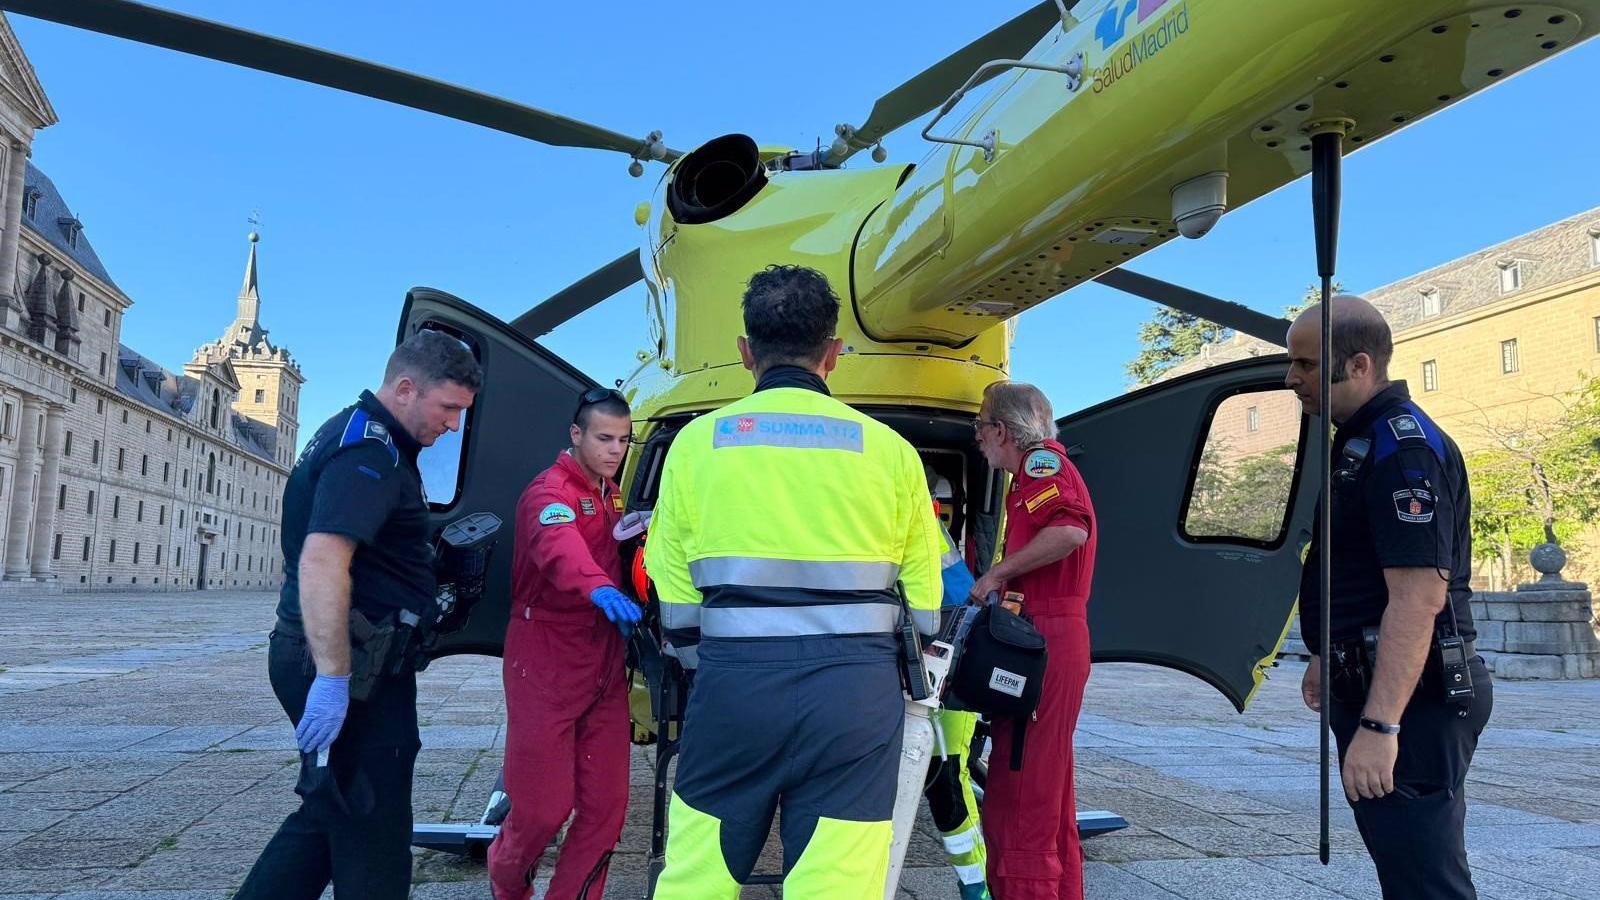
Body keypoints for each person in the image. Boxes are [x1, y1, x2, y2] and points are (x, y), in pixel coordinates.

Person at [646, 264, 943, 899]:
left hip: (734, 686)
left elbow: (672, 594)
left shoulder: (697, 445)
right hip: (856, 697)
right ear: (833, 354)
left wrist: (714, 660)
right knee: (837, 883)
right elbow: (924, 604)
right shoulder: (891, 451)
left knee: (697, 875)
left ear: (745, 352)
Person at [235, 330, 482, 899]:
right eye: (448, 408)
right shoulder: (368, 453)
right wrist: (334, 678)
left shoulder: (365, 436)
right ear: (404, 388)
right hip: (348, 663)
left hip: (358, 659)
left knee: (330, 813)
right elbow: (324, 559)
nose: (453, 425)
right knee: (373, 831)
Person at [1285, 296, 1493, 899]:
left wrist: (1381, 724)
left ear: (1357, 365)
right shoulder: (1360, 441)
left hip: (1416, 696)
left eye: (1304, 365)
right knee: (1407, 871)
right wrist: (1327, 652)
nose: (1291, 378)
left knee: (1426, 882)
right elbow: (1355, 570)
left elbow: (1417, 599)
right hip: (1383, 682)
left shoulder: (1402, 452)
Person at [487, 387, 641, 900]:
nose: (615, 449)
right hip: (546, 658)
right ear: (575, 435)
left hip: (603, 660)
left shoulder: (609, 492)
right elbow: (560, 547)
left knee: (606, 806)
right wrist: (597, 586)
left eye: (623, 439)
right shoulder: (548, 493)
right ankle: (508, 878)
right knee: (541, 807)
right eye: (604, 438)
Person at [970, 380, 1096, 900]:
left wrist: (998, 574)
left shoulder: (1041, 465)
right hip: (1044, 632)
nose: (977, 438)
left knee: (1021, 784)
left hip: (1045, 635)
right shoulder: (1028, 475)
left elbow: (1070, 531)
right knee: (1046, 785)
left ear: (1000, 430)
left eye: (979, 427)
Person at [923, 486, 991, 900]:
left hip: (953, 654)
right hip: (917, 656)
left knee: (944, 777)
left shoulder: (911, 519)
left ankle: (976, 888)